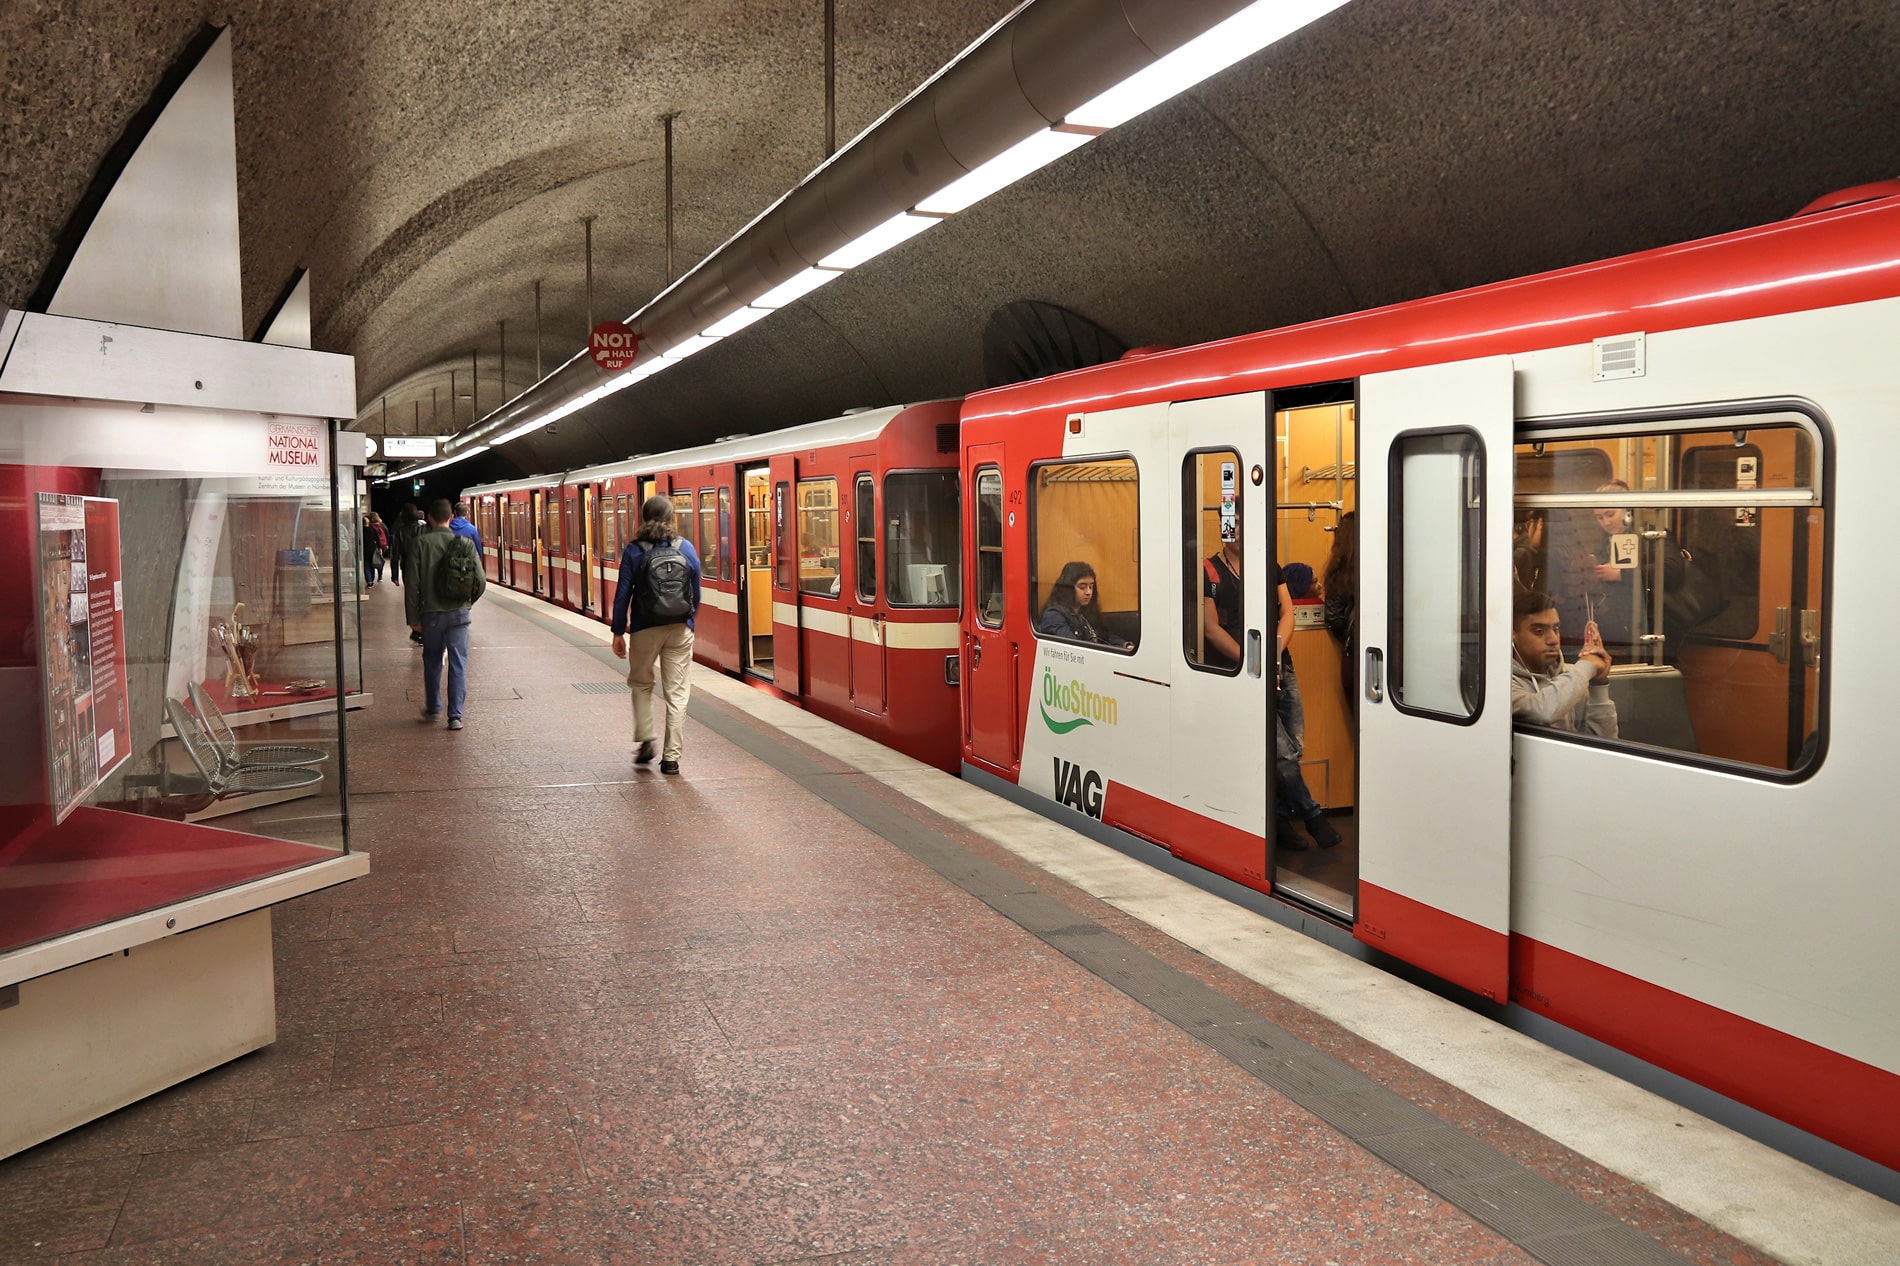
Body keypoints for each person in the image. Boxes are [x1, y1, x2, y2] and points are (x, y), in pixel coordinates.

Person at [1203, 526, 1337, 849]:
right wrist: (1252, 662)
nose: (1236, 530)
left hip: (1279, 663)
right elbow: (1210, 628)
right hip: (1241, 669)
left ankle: (1277, 821)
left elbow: (1287, 611)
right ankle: (1312, 815)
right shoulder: (1209, 570)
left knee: (1294, 746)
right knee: (1281, 751)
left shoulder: (1267, 564)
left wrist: (1273, 656)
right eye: (1231, 522)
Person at [612, 494, 702, 775]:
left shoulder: (634, 550)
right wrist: (688, 619)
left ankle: (646, 740)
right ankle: (671, 758)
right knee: (677, 693)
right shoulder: (685, 547)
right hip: (680, 629)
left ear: (643, 518)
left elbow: (622, 594)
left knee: (641, 684)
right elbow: (696, 591)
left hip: (644, 627)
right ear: (671, 518)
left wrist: (618, 631)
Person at [404, 498, 485, 730]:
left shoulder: (420, 544)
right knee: (458, 662)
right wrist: (466, 603)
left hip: (431, 614)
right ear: (451, 517)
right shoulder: (464, 543)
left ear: (430, 518)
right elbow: (480, 581)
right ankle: (455, 716)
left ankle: (433, 707)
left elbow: (412, 584)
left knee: (432, 660)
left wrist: (413, 619)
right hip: (459, 614)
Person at [1509, 589, 1617, 737]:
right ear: (1512, 635)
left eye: (1556, 629)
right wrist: (1587, 665)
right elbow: (1542, 712)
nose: (1553, 639)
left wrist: (1598, 684)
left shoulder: (1572, 678)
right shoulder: (1501, 685)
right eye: (1539, 631)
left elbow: (1605, 741)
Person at [1038, 561, 1132, 649]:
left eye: (1091, 587)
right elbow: (1074, 648)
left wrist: (1125, 646)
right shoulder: (1053, 616)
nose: (1088, 592)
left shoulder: (1086, 612)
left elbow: (1105, 636)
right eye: (1082, 587)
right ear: (1068, 589)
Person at [1321, 511, 1357, 706]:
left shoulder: (1338, 572)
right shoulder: (1384, 566)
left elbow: (1333, 617)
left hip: (1354, 657)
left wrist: (1349, 635)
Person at [363, 511, 388, 588]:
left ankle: (370, 581)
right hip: (378, 547)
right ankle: (380, 576)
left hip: (366, 549)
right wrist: (384, 545)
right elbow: (386, 534)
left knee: (367, 564)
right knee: (378, 560)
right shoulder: (382, 525)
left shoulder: (366, 528)